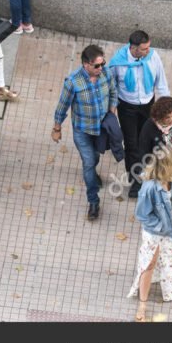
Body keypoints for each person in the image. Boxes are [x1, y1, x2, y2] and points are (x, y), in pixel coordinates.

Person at [51, 44, 118, 220]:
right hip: (82, 131)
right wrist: (57, 128)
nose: (100, 68)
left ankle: (93, 174)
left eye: (102, 63)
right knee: (88, 162)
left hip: (101, 129)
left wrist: (112, 109)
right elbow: (62, 106)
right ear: (85, 64)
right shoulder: (73, 82)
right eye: (97, 65)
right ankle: (93, 201)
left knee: (95, 158)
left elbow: (113, 91)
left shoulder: (106, 74)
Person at [129, 148, 172, 322]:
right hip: (155, 232)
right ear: (165, 167)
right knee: (149, 264)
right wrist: (161, 226)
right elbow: (142, 215)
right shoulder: (149, 188)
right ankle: (142, 303)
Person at [109, 30, 170, 197]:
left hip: (148, 106)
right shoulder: (117, 63)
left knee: (150, 140)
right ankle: (135, 180)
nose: (148, 51)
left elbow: (161, 83)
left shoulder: (153, 57)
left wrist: (167, 107)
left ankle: (147, 170)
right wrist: (111, 109)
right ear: (133, 48)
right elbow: (111, 86)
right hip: (127, 107)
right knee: (132, 144)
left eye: (149, 47)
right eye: (144, 49)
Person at [135, 96, 172, 192]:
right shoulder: (149, 126)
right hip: (159, 169)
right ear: (159, 116)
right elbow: (144, 151)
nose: (171, 120)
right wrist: (146, 172)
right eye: (167, 117)